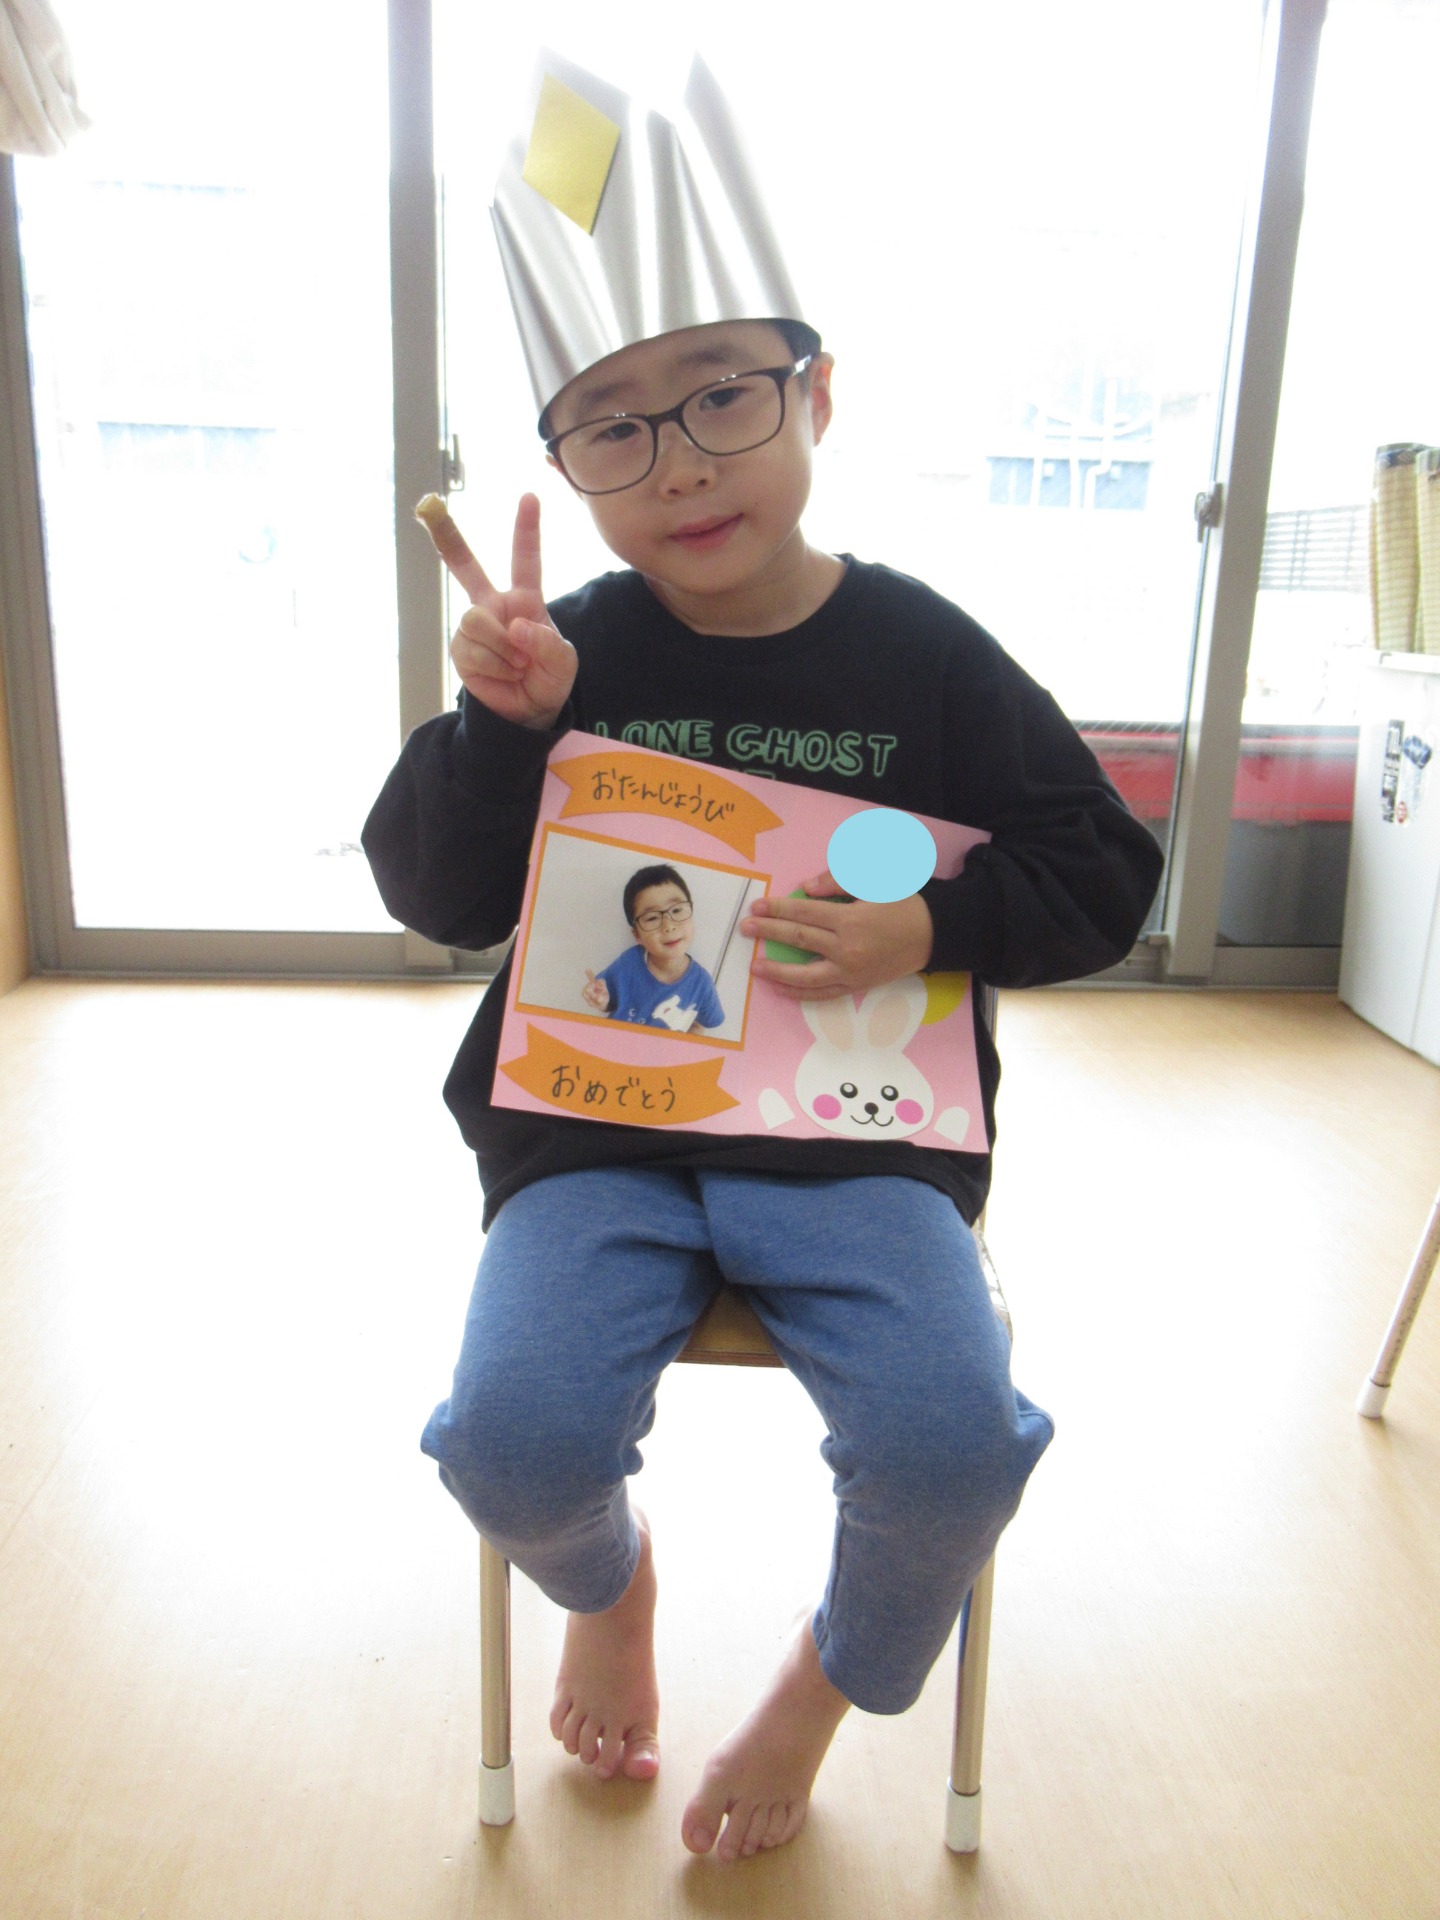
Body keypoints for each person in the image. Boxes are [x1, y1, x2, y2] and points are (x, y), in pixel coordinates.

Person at [363, 55, 1164, 1866]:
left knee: (953, 1446)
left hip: (855, 1143)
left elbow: (1106, 868)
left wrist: (932, 925)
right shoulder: (559, 650)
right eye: (613, 427)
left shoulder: (927, 654)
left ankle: (819, 1682)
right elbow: (436, 893)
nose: (682, 463)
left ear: (818, 392)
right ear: (566, 467)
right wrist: (504, 732)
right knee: (508, 1442)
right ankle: (614, 1589)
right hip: (598, 1135)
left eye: (723, 392)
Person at [582, 864, 726, 1032]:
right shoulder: (629, 962)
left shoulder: (702, 983)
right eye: (652, 918)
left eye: (677, 910)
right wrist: (601, 1000)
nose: (668, 926)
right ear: (637, 935)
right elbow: (608, 1001)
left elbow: (708, 1023)